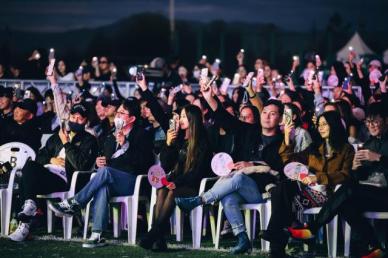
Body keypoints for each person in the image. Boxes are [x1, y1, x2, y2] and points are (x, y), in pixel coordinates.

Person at [175, 80, 285, 254]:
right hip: (239, 186)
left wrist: (253, 165)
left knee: (239, 176)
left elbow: (279, 169)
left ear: (280, 118)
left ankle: (200, 200)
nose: (267, 116)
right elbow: (225, 118)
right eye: (264, 112)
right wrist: (209, 97)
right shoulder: (250, 131)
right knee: (228, 198)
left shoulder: (282, 142)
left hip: (263, 191)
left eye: (273, 114)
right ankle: (242, 238)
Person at [49, 99, 154, 248]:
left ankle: (76, 203)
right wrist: (100, 162)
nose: (117, 115)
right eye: (117, 112)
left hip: (134, 181)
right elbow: (108, 161)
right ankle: (97, 235)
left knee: (106, 174)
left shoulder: (141, 134)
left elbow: (144, 162)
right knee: (102, 187)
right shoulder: (111, 135)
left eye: (122, 113)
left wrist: (126, 145)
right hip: (112, 179)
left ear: (131, 118)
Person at [288, 102, 388, 258]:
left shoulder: (373, 146)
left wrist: (379, 158)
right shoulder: (370, 143)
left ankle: (313, 228)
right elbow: (360, 177)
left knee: (348, 189)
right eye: (368, 122)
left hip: (384, 194)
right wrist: (356, 168)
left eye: (375, 121)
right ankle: (374, 247)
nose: (371, 125)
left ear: (386, 120)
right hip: (371, 193)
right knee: (345, 203)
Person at [261, 111, 355, 258]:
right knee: (282, 189)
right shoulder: (315, 147)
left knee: (283, 201)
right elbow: (290, 160)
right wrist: (287, 138)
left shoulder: (346, 149)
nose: (321, 128)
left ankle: (275, 243)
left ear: (334, 125)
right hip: (307, 191)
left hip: (328, 194)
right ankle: (277, 241)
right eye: (319, 125)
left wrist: (318, 178)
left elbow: (346, 175)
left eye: (325, 124)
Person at [8, 103, 98, 241]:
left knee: (27, 176)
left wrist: (67, 144)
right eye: (73, 117)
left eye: (80, 118)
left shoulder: (89, 140)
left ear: (86, 120)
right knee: (30, 166)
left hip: (65, 180)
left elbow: (81, 165)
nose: (75, 121)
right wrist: (51, 159)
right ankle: (29, 209)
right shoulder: (56, 138)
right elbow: (39, 156)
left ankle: (25, 222)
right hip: (46, 175)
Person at [139, 105, 212, 251]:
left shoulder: (202, 142)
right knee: (161, 190)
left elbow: (197, 173)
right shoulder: (179, 139)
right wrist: (168, 143)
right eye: (181, 116)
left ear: (193, 119)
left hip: (194, 186)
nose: (181, 119)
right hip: (176, 183)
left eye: (184, 116)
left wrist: (176, 183)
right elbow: (165, 166)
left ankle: (154, 233)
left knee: (172, 191)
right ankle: (159, 239)